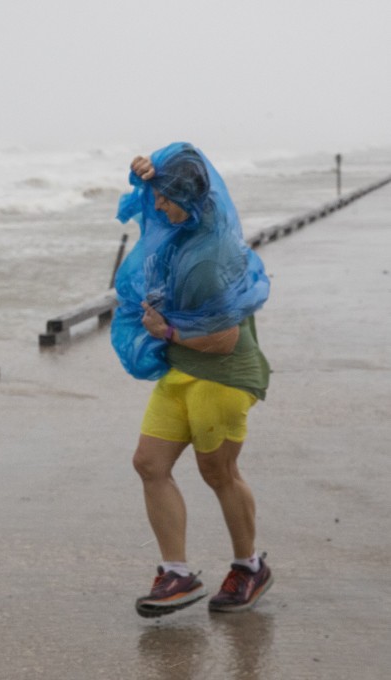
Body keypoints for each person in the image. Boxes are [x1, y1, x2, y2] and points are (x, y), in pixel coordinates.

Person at [111, 142, 273, 618]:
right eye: (157, 196)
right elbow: (168, 180)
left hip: (222, 372)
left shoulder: (206, 258)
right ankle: (177, 574)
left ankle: (250, 567)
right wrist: (146, 173)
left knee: (218, 473)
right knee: (149, 463)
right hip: (183, 368)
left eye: (166, 198)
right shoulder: (184, 217)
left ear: (192, 200)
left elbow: (222, 339)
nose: (157, 206)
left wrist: (167, 330)